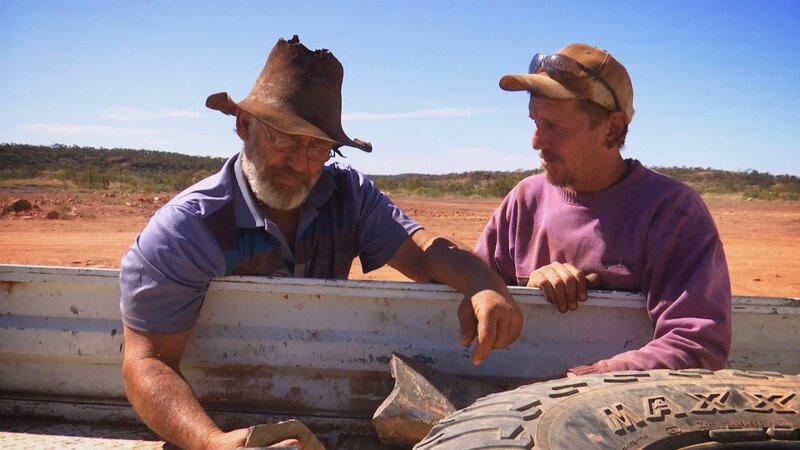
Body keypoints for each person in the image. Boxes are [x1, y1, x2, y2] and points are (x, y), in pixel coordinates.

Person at [119, 36, 523, 450]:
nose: (301, 162)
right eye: (284, 139)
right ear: (243, 125)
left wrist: (482, 281)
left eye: (317, 146)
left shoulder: (347, 195)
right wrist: (212, 443)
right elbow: (148, 361)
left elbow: (421, 252)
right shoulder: (190, 229)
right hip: (214, 422)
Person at [475, 43, 731, 376]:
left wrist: (589, 381)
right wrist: (526, 289)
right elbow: (475, 286)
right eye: (535, 120)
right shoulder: (525, 200)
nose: (536, 141)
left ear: (613, 129)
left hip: (628, 413)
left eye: (555, 125)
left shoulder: (671, 211)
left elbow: (697, 344)